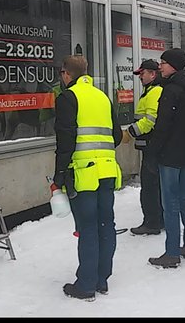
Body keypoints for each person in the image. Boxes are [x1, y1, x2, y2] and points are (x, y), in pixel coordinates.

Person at [53, 55, 123, 301]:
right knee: (106, 224)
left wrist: (58, 175)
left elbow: (65, 140)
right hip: (107, 171)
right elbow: (116, 135)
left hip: (83, 174)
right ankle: (102, 279)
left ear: (66, 74)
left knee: (88, 228)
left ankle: (85, 285)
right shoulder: (102, 97)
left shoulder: (68, 97)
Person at [147, 48, 185, 268]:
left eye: (163, 63)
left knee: (169, 202)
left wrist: (153, 152)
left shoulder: (170, 91)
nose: (160, 66)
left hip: (169, 155)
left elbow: (162, 126)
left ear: (173, 65)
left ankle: (171, 253)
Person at [122, 59, 164, 235]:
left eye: (143, 73)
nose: (140, 77)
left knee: (150, 186)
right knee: (154, 185)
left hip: (151, 147)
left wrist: (130, 133)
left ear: (153, 74)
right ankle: (157, 220)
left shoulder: (154, 92)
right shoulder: (150, 92)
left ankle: (152, 223)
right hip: (151, 146)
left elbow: (150, 121)